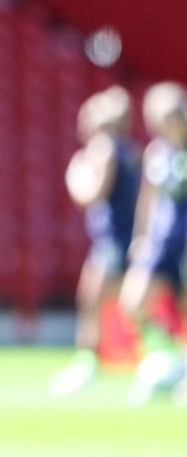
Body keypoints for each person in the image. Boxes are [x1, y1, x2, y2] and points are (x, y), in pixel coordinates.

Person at [48, 86, 140, 396]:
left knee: (93, 301)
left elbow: (91, 194)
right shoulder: (130, 148)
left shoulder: (103, 148)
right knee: (126, 301)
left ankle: (87, 364)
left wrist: (74, 175)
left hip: (112, 238)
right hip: (127, 236)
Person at [119, 81, 186, 405]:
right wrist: (140, 236)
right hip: (161, 240)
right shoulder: (156, 152)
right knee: (132, 300)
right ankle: (165, 357)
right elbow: (148, 198)